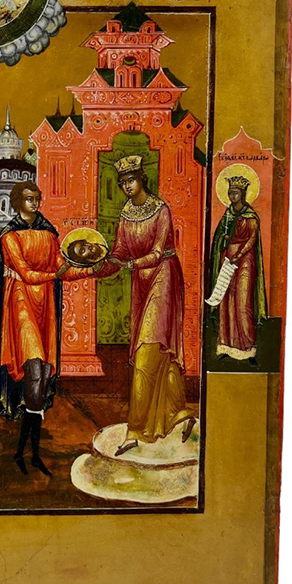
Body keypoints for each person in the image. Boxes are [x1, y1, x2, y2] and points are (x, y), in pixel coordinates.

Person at [0, 181, 100, 476]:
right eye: (28, 198)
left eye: (37, 198)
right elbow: (26, 273)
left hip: (44, 303)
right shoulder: (9, 236)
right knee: (34, 370)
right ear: (17, 202)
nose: (34, 203)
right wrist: (56, 273)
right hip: (20, 301)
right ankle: (28, 452)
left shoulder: (49, 233)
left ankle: (28, 453)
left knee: (44, 376)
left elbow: (64, 268)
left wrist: (93, 270)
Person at [95, 156, 197, 456]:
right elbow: (119, 251)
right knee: (161, 352)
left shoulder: (161, 210)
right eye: (123, 183)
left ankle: (136, 431)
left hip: (164, 277)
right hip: (141, 283)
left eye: (131, 180)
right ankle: (180, 414)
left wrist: (129, 264)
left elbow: (158, 251)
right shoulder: (126, 214)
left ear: (142, 179)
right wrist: (97, 265)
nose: (127, 187)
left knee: (148, 351)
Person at [209, 175, 268, 365]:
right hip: (227, 263)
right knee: (227, 303)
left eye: (235, 193)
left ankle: (249, 349)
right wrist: (224, 241)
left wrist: (238, 255)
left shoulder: (250, 216)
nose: (232, 196)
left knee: (242, 304)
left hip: (244, 264)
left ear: (242, 194)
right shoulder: (227, 215)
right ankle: (227, 346)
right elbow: (219, 237)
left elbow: (251, 240)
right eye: (230, 192)